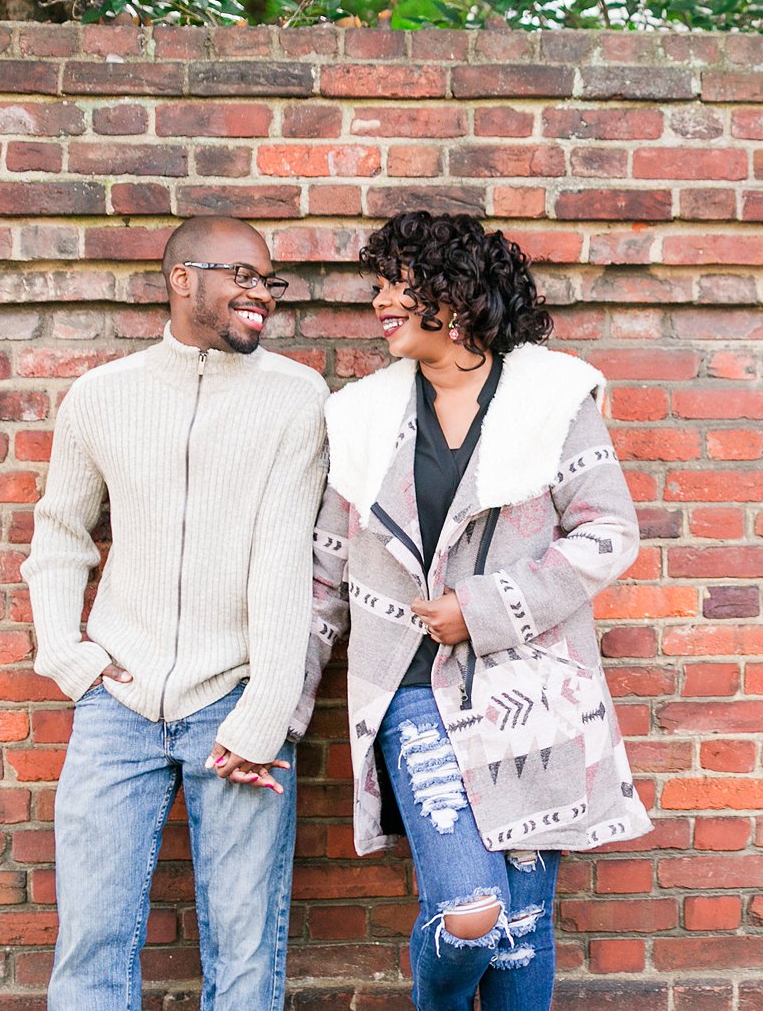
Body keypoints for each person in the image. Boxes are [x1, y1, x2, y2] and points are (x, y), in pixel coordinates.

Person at [291, 210, 650, 1007]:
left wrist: (482, 610)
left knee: (521, 937)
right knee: (470, 914)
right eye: (377, 284)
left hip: (531, 693)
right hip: (411, 692)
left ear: (453, 295)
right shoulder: (360, 422)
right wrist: (282, 714)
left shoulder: (552, 400)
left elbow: (610, 533)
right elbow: (325, 578)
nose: (380, 300)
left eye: (396, 283)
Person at [25, 215, 328, 1010]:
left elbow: (284, 559)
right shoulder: (101, 397)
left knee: (244, 948)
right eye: (243, 276)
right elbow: (60, 536)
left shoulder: (298, 399)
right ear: (182, 279)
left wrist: (266, 711)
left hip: (233, 702)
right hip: (114, 705)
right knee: (91, 938)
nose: (261, 295)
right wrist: (71, 657)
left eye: (269, 281)